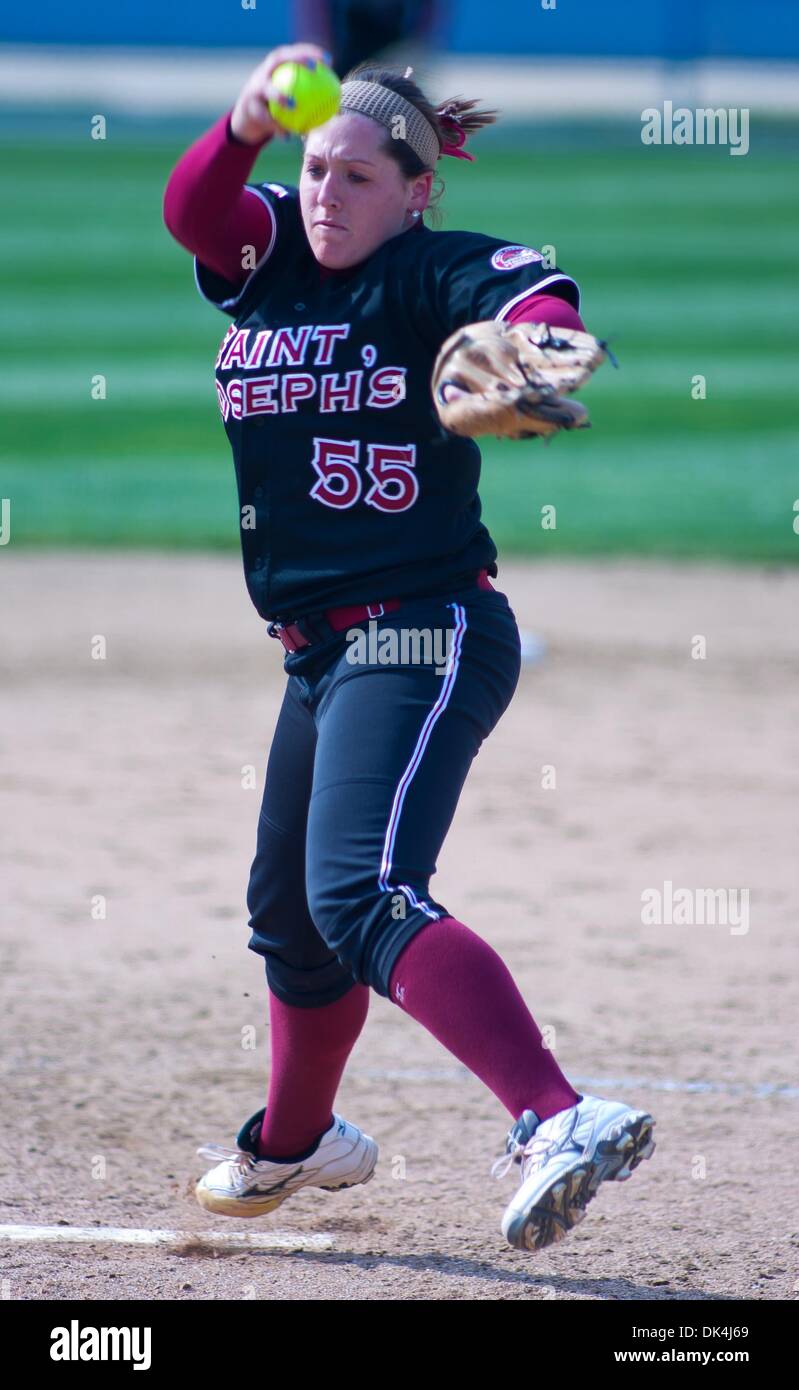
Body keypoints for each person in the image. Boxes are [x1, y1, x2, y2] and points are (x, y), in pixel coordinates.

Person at [162, 42, 655, 1253]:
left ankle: (558, 1114)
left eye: (359, 177)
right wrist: (243, 123)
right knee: (289, 916)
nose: (326, 193)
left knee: (360, 893)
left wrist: (533, 352)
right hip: (317, 650)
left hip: (419, 628)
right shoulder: (267, 252)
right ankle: (296, 1141)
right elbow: (194, 209)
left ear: (416, 190)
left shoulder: (435, 269)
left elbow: (540, 303)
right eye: (315, 169)